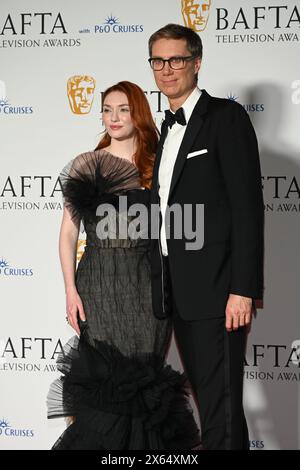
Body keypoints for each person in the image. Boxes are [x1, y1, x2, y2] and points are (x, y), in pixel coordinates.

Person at [47, 80, 200, 450]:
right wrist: (70, 290)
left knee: (143, 384)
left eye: (123, 109)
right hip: (98, 284)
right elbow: (68, 234)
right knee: (106, 385)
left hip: (147, 285)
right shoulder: (88, 163)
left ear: (138, 113)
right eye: (107, 110)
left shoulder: (159, 161)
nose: (114, 118)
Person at [148, 24, 264, 450]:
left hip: (219, 292)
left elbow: (247, 210)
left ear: (196, 63)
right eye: (158, 61)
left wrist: (243, 289)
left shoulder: (225, 118)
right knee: (209, 405)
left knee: (222, 409)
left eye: (176, 59)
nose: (167, 69)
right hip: (175, 292)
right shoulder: (165, 128)